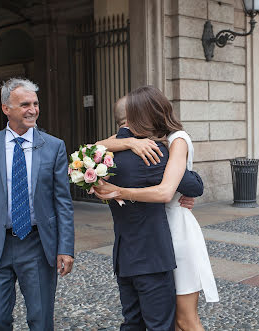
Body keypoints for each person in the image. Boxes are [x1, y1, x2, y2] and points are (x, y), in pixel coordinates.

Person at [94, 86, 219, 331]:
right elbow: (193, 185)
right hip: (155, 250)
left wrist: (118, 188)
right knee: (167, 322)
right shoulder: (155, 152)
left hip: (141, 249)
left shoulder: (98, 160)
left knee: (152, 321)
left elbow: (88, 149)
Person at [0, 78, 74, 330]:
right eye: (25, 104)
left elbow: (62, 201)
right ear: (6, 108)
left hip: (37, 244)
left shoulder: (54, 147)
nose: (32, 110)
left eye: (35, 103)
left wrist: (66, 247)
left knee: (40, 321)